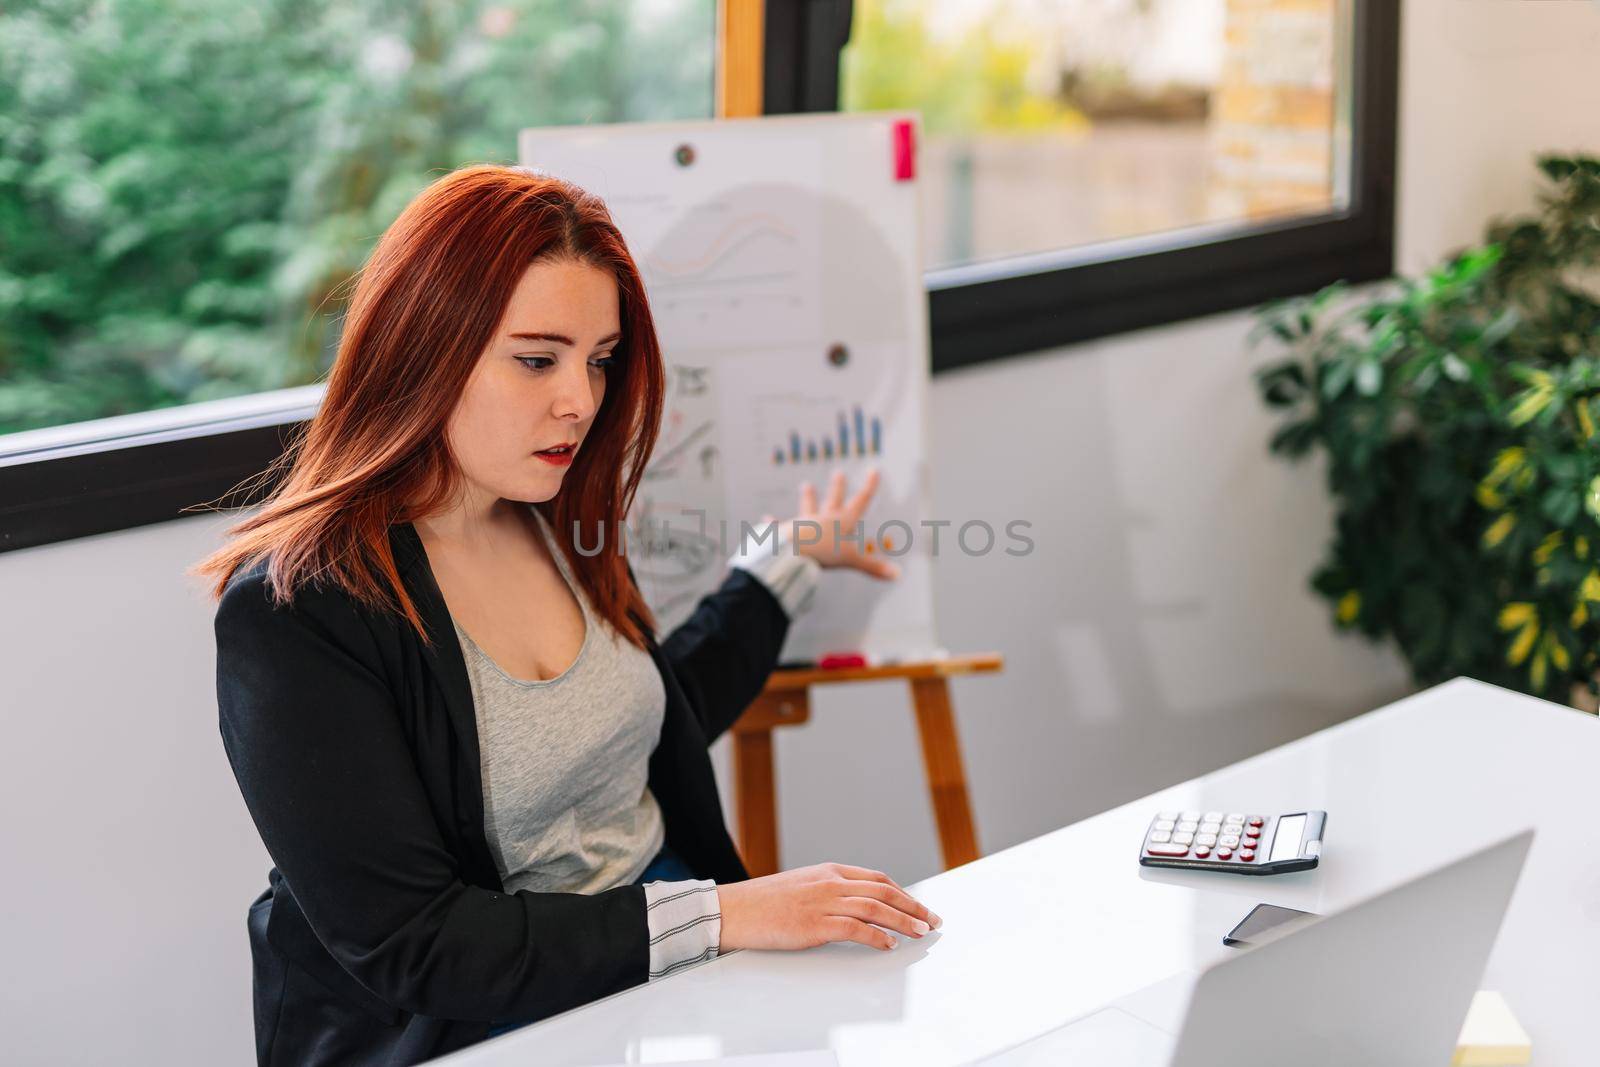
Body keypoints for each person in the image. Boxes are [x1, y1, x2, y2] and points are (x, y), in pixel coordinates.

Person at [194, 165, 940, 1067]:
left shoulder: (555, 516)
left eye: (598, 359)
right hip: (465, 1024)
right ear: (424, 345)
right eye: (537, 359)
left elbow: (644, 721)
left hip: (656, 968)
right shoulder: (297, 607)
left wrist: (784, 561)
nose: (580, 400)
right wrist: (725, 914)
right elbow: (414, 943)